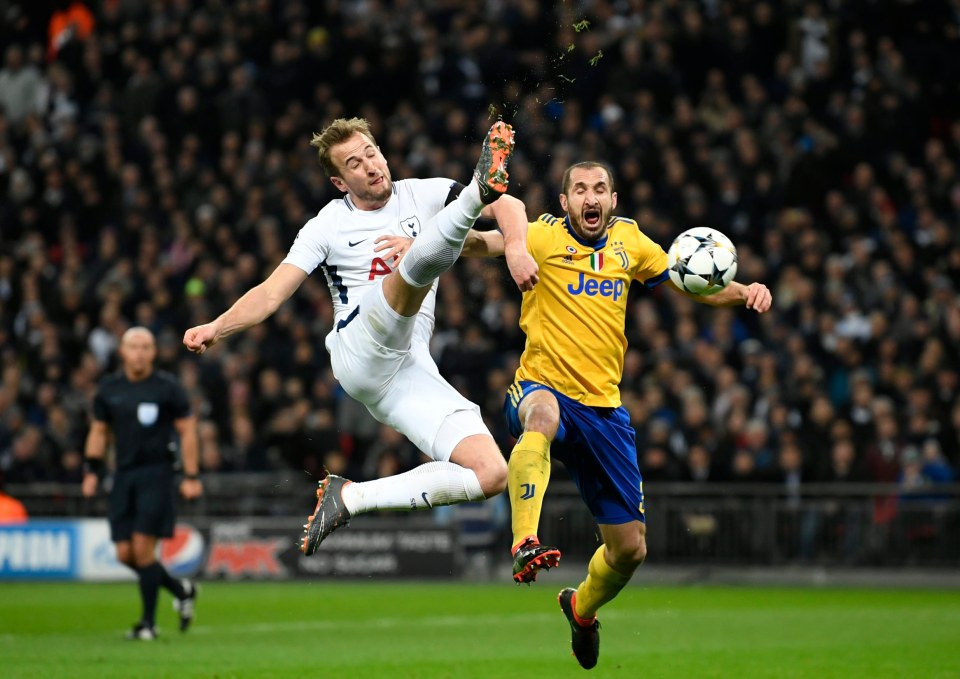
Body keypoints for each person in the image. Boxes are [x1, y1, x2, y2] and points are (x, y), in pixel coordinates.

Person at [183, 118, 537, 556]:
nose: (370, 166)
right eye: (354, 163)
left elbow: (510, 208)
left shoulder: (420, 193)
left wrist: (516, 247)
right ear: (339, 181)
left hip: (407, 369)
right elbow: (272, 293)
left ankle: (349, 497)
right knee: (412, 267)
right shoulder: (327, 225)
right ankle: (475, 191)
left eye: (371, 152)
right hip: (359, 349)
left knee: (490, 473)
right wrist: (217, 327)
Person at [470, 162, 772, 669]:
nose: (592, 197)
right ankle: (524, 539)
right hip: (543, 386)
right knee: (538, 417)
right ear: (565, 201)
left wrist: (744, 291)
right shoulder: (541, 236)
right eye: (581, 190)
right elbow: (485, 243)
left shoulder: (632, 243)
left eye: (600, 189)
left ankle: (581, 609)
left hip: (604, 413)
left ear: (613, 200)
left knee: (630, 550)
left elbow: (691, 282)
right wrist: (422, 247)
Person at [82, 327, 202, 641]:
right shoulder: (109, 389)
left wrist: (191, 476)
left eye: (146, 346)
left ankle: (147, 625)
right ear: (122, 351)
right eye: (133, 346)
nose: (139, 352)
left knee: (142, 551)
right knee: (124, 554)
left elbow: (188, 430)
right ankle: (181, 590)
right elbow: (98, 431)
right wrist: (91, 470)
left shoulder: (167, 388)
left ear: (153, 352)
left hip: (157, 474)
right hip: (122, 475)